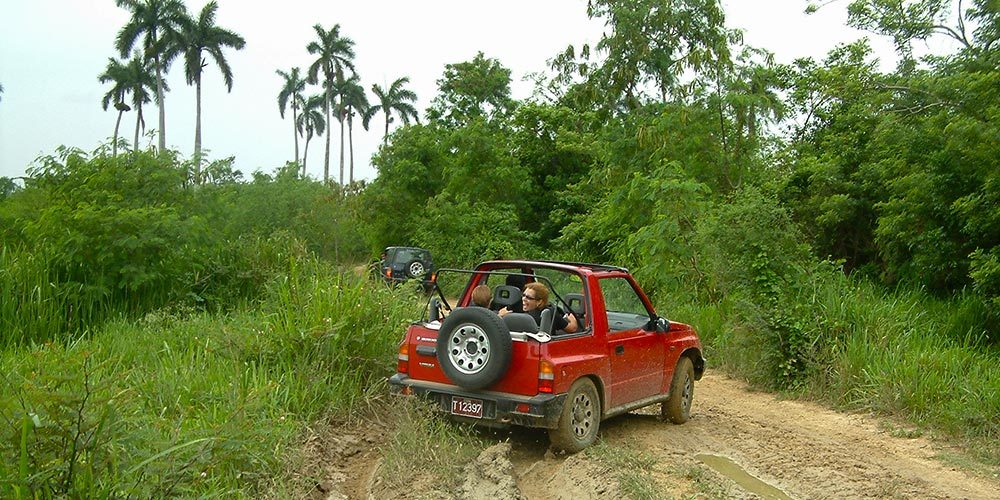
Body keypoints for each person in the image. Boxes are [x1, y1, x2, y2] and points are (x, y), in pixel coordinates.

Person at [500, 282, 578, 333]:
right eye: (523, 295)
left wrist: (500, 316)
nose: (524, 299)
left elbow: (503, 311)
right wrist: (572, 318)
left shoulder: (549, 313)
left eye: (528, 297)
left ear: (539, 302)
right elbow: (572, 328)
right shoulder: (551, 312)